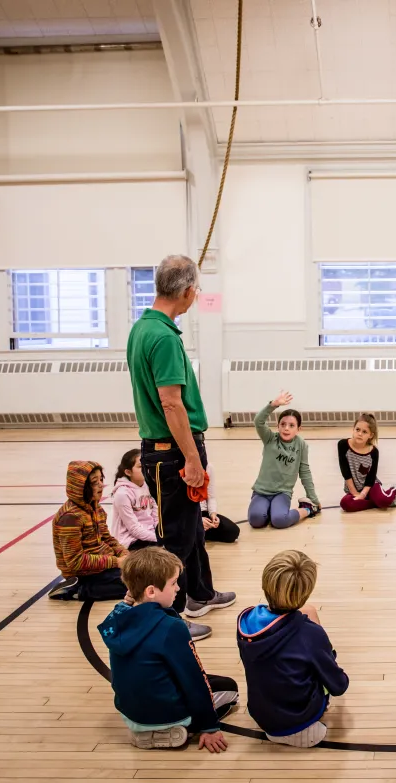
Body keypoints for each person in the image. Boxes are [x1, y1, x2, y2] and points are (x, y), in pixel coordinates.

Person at [127, 254, 234, 638]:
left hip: (168, 450)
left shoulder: (144, 328)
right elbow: (171, 403)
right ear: (188, 291)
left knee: (192, 529)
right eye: (197, 289)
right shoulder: (163, 338)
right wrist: (191, 456)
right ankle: (167, 620)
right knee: (176, 538)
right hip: (172, 452)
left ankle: (199, 594)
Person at [98, 547, 239, 750]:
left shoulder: (118, 618)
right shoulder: (172, 627)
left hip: (130, 712)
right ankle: (174, 729)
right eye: (173, 583)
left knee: (208, 680)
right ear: (151, 591)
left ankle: (144, 729)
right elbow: (193, 678)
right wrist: (209, 726)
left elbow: (126, 606)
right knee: (229, 688)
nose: (178, 588)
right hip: (165, 713)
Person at [236, 550, 349, 747]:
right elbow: (339, 686)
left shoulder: (245, 620)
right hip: (301, 722)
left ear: (265, 583)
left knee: (308, 616)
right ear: (306, 592)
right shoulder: (310, 634)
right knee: (320, 659)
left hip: (261, 716)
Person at [49, 460, 127, 602]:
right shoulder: (70, 517)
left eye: (101, 479)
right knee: (135, 585)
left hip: (102, 565)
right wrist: (116, 562)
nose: (101, 485)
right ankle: (77, 590)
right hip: (83, 574)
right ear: (81, 487)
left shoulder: (97, 508)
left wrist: (124, 554)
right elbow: (75, 562)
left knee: (143, 573)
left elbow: (107, 539)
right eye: (94, 482)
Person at [248, 392, 321, 529]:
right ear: (278, 426)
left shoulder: (301, 445)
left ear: (299, 429)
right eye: (283, 424)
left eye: (291, 425)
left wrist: (313, 499)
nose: (286, 428)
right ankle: (267, 510)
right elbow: (258, 421)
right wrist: (273, 405)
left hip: (282, 493)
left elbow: (305, 472)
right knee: (256, 520)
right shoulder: (270, 438)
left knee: (280, 520)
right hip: (261, 492)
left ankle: (307, 509)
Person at [338, 413, 396, 512]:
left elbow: (371, 478)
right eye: (357, 429)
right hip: (353, 488)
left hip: (370, 486)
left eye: (364, 432)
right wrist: (355, 493)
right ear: (353, 429)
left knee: (382, 500)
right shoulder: (343, 445)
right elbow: (346, 473)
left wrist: (363, 494)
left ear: (371, 435)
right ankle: (387, 502)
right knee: (345, 504)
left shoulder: (373, 452)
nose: (360, 434)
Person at [109, 449, 158, 551]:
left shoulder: (149, 486)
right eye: (140, 466)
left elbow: (156, 517)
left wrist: (162, 534)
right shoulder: (122, 494)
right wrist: (158, 539)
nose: (146, 469)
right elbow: (134, 529)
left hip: (150, 536)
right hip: (130, 541)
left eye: (147, 464)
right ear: (128, 472)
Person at [201, 464, 241, 544]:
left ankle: (199, 533)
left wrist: (213, 514)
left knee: (232, 531)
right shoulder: (180, 467)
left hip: (202, 513)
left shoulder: (208, 467)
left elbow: (211, 497)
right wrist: (198, 520)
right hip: (186, 516)